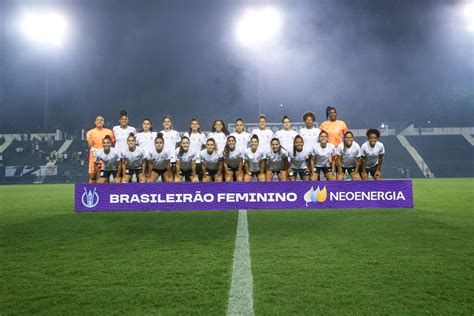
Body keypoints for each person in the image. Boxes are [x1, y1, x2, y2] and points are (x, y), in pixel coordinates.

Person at [86, 115, 115, 183]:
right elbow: (90, 144)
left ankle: (105, 192)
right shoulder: (90, 132)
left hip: (105, 156)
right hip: (94, 155)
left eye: (101, 120)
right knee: (92, 175)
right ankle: (91, 191)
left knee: (105, 176)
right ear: (95, 122)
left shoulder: (109, 132)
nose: (99, 121)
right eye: (98, 120)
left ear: (104, 122)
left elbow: (112, 142)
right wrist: (94, 149)